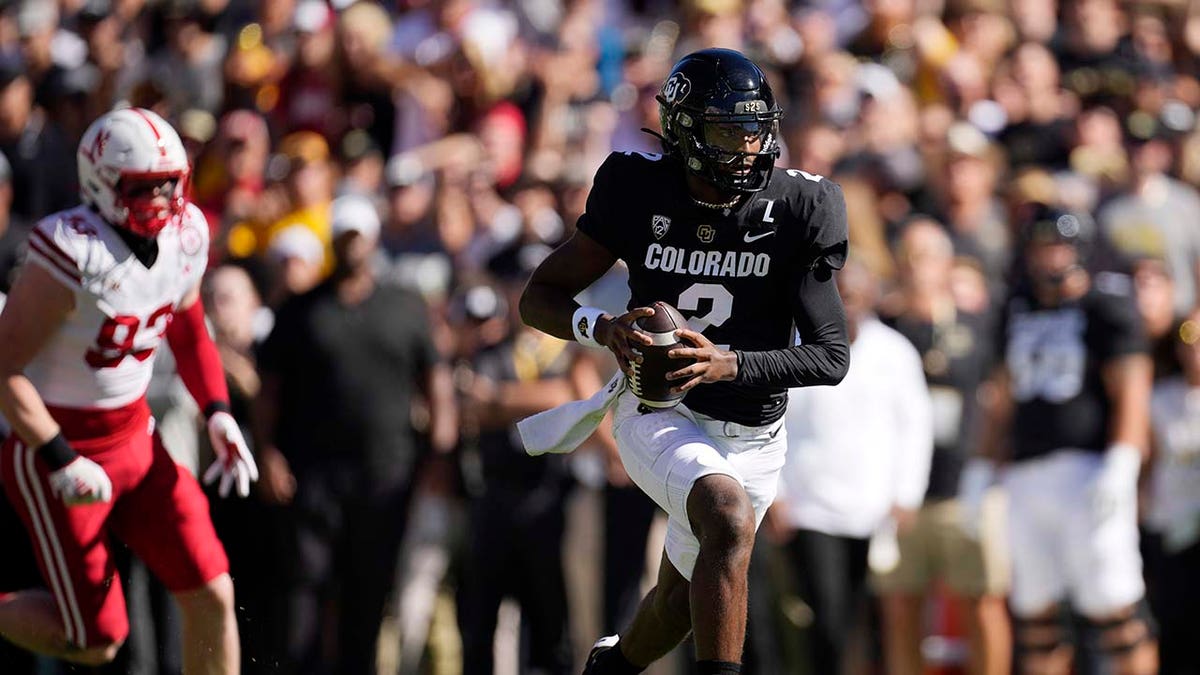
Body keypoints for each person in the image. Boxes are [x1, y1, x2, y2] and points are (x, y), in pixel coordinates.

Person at [519, 48, 849, 675]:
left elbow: (830, 356)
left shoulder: (801, 208)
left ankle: (609, 668)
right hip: (660, 409)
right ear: (686, 132)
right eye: (731, 130)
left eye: (758, 128)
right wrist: (604, 328)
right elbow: (540, 297)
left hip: (756, 435)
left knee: (677, 600)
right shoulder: (637, 188)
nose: (751, 146)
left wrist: (731, 365)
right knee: (725, 518)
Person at [0, 107, 257, 672]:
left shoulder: (187, 234)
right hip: (59, 448)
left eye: (172, 185)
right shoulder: (70, 248)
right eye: (146, 188)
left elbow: (187, 322)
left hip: (137, 440)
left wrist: (216, 410)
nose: (165, 201)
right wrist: (58, 454)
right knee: (97, 641)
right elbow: (3, 369)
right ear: (102, 182)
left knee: (213, 592)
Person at [254, 193, 457, 675]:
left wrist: (440, 456)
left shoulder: (405, 306)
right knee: (305, 587)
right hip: (311, 476)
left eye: (357, 237)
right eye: (342, 238)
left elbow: (437, 385)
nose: (351, 247)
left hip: (385, 477)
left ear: (372, 239)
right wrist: (266, 452)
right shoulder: (299, 309)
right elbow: (269, 390)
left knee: (368, 594)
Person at [959, 203, 1157, 675]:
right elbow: (1001, 396)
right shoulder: (1015, 306)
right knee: (1036, 615)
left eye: (1057, 246)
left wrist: (1123, 464)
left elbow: (1132, 388)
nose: (1048, 258)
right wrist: (981, 466)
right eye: (1041, 247)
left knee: (1116, 610)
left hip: (1089, 472)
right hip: (1027, 477)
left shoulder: (1106, 305)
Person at [768, 256, 933, 675]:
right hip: (811, 508)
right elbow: (773, 421)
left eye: (856, 295)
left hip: (875, 513)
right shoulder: (797, 345)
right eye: (840, 295)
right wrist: (777, 495)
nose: (848, 303)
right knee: (825, 619)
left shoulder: (895, 353)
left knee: (873, 624)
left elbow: (915, 427)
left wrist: (906, 495)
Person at [874, 219, 1011, 675]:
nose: (919, 267)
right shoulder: (883, 331)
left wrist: (988, 468)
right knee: (901, 607)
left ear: (948, 261)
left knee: (982, 602)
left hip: (964, 487)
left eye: (929, 254)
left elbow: (999, 399)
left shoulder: (978, 325)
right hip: (901, 496)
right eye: (910, 256)